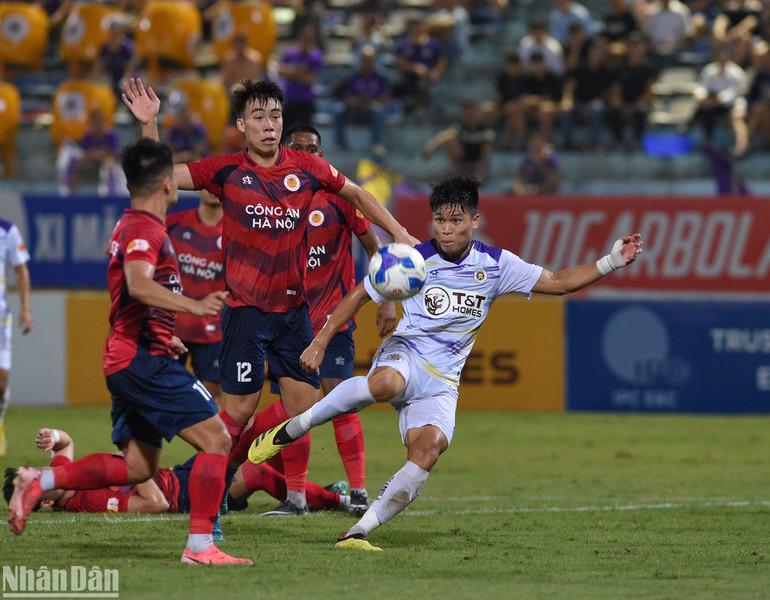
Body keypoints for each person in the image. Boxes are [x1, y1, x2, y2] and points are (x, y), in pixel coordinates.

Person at [247, 172, 643, 551]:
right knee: (385, 384)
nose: (446, 228)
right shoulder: (413, 260)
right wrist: (320, 340)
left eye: (455, 220)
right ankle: (295, 426)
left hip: (442, 382)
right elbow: (360, 294)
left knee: (428, 451)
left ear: (475, 220)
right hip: (406, 353)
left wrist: (610, 262)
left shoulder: (495, 265)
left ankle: (357, 533)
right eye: (439, 220)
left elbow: (557, 283)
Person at [121, 78, 417, 525]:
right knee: (238, 409)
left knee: (303, 409)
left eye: (275, 116)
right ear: (241, 125)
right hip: (246, 315)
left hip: (294, 315)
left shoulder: (308, 167)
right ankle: (212, 489)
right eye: (258, 117)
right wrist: (150, 124)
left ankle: (279, 490)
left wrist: (395, 231)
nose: (269, 125)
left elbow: (355, 194)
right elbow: (163, 178)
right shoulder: (225, 171)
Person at [7, 138, 252, 566]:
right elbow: (138, 284)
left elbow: (131, 293)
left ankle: (40, 479)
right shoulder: (144, 228)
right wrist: (193, 306)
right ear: (165, 184)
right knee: (218, 438)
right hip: (142, 360)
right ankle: (200, 546)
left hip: (132, 353)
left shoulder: (129, 223)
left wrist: (163, 331)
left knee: (138, 466)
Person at [230, 124, 397, 516]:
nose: (306, 153)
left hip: (334, 319)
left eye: (313, 148)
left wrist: (388, 301)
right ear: (287, 151)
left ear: (321, 156)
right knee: (294, 409)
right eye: (298, 146)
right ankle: (296, 497)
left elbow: (375, 247)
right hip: (290, 322)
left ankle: (357, 495)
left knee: (341, 399)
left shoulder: (340, 200)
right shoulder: (274, 202)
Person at [3, 427, 351, 515]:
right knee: (256, 473)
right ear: (45, 503)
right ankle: (340, 502)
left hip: (179, 472)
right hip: (182, 495)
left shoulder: (61, 475)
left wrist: (54, 435)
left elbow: (65, 446)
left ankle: (309, 492)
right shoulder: (88, 502)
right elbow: (156, 505)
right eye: (31, 484)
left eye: (31, 473)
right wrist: (130, 467)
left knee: (251, 446)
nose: (37, 477)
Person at [166, 190, 224, 409]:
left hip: (213, 328)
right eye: (206, 185)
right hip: (172, 324)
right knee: (162, 388)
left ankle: (214, 444)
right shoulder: (174, 224)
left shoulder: (236, 231)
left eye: (216, 184)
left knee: (211, 392)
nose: (211, 190)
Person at [0, 219, 32, 457]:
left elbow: (21, 270)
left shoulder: (7, 231)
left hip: (1, 318)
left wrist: (26, 308)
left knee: (1, 382)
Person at [421, 99, 496, 185]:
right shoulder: (459, 127)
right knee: (450, 139)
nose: (469, 116)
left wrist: (479, 171)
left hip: (479, 166)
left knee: (486, 145)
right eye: (467, 113)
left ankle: (477, 178)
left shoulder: (484, 129)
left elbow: (486, 153)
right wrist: (430, 147)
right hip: (462, 163)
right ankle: (456, 175)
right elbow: (446, 135)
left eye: (471, 113)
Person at [334, 45, 391, 154]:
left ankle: (377, 144)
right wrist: (358, 103)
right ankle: (340, 145)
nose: (367, 62)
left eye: (369, 59)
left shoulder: (380, 77)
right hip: (355, 111)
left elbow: (385, 98)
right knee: (338, 111)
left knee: (378, 111)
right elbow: (347, 97)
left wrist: (370, 104)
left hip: (371, 112)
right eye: (364, 59)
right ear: (360, 60)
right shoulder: (353, 76)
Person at [55, 108, 127, 197]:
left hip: (107, 162)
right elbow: (84, 154)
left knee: (109, 165)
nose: (98, 125)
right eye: (96, 122)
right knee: (76, 162)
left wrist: (97, 154)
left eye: (100, 121)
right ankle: (69, 191)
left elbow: (112, 154)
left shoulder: (110, 135)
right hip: (91, 161)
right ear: (92, 122)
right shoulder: (88, 135)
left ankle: (110, 192)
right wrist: (96, 154)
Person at [277, 25, 324, 133]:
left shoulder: (316, 56)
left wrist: (291, 73)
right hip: (289, 99)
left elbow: (308, 79)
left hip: (305, 101)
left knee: (305, 135)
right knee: (283, 134)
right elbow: (280, 71)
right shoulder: (290, 53)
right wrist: (299, 72)